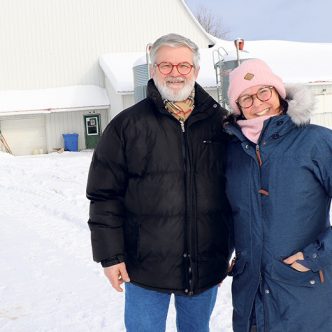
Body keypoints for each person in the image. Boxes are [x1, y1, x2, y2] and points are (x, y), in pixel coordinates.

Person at [86, 33, 232, 332]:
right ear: (153, 70)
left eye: (183, 65)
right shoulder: (127, 125)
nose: (175, 73)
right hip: (143, 266)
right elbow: (104, 195)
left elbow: (239, 190)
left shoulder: (221, 123)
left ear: (196, 70)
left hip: (205, 264)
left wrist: (233, 248)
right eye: (165, 65)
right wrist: (110, 256)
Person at [224, 58, 332, 332]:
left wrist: (317, 255)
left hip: (304, 293)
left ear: (279, 93)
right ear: (238, 108)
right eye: (245, 98)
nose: (257, 103)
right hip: (250, 297)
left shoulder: (317, 142)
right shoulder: (232, 152)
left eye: (263, 92)